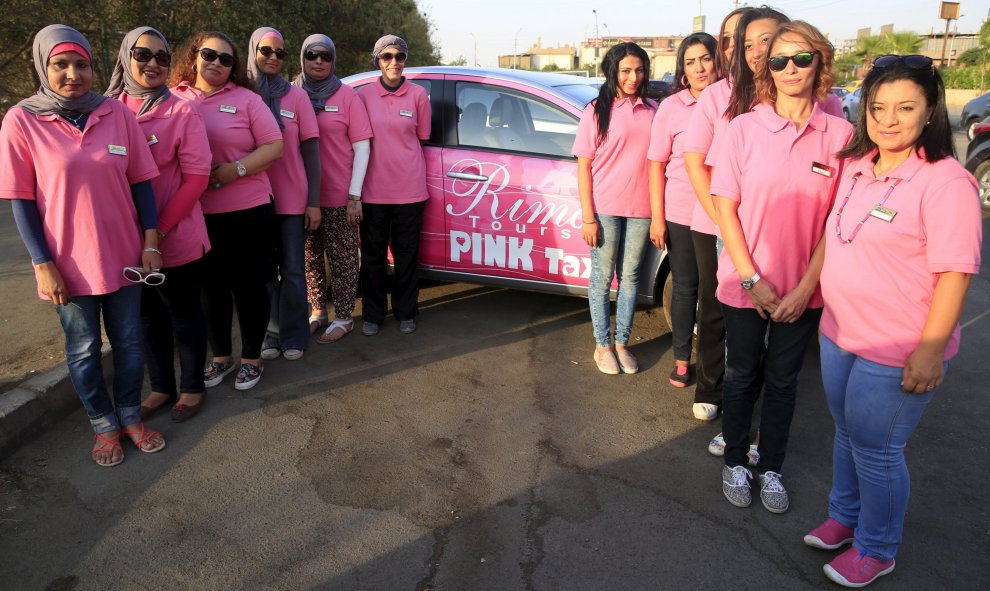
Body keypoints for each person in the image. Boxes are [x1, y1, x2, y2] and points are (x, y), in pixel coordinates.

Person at [806, 54, 981, 588]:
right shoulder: (860, 165)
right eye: (878, 107)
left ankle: (878, 548)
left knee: (878, 449)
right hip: (841, 332)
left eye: (905, 107)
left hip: (899, 345)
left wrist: (930, 348)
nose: (888, 119)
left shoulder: (946, 182)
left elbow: (955, 272)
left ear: (929, 112)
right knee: (847, 432)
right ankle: (846, 516)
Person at [0, 24, 165, 466]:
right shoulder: (22, 119)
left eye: (81, 65)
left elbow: (143, 184)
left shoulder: (116, 113)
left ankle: (130, 416)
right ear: (43, 67)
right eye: (61, 65)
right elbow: (20, 198)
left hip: (126, 258)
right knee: (83, 348)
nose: (73, 74)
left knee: (130, 343)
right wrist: (42, 263)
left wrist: (151, 242)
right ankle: (104, 426)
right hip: (68, 264)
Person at [712, 21, 853, 514]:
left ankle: (769, 466)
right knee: (741, 374)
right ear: (767, 69)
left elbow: (838, 221)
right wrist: (753, 280)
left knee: (785, 381)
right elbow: (725, 208)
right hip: (742, 282)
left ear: (820, 62)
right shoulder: (742, 128)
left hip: (805, 291)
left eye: (801, 57)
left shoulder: (842, 135)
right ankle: (734, 460)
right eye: (778, 59)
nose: (790, 68)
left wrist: (804, 288)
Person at [106, 26, 213, 423]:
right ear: (125, 57)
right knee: (147, 316)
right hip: (126, 241)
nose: (153, 64)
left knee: (183, 313)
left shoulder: (181, 110)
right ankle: (162, 387)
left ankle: (191, 387)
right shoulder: (107, 109)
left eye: (162, 58)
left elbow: (198, 178)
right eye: (143, 55)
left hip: (177, 233)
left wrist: (159, 231)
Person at [170, 31, 283, 390]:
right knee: (210, 290)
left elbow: (274, 146)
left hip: (248, 211)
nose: (216, 63)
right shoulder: (173, 98)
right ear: (193, 56)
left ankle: (251, 358)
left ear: (234, 67)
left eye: (226, 59)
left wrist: (234, 170)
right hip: (196, 213)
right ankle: (221, 358)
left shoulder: (247, 100)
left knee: (248, 287)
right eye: (209, 54)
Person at [681, 6, 756, 426]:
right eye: (726, 40)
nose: (736, 48)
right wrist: (723, 223)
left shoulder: (781, 92)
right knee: (714, 307)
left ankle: (746, 392)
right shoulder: (715, 95)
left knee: (758, 314)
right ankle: (709, 387)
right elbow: (695, 161)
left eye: (746, 39)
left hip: (765, 226)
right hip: (712, 220)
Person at [573, 42, 656, 375]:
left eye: (638, 70)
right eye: (625, 70)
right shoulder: (596, 110)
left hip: (642, 209)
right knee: (603, 277)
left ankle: (622, 343)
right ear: (613, 71)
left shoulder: (653, 109)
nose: (632, 77)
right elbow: (583, 166)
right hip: (605, 209)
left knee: (632, 278)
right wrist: (588, 216)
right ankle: (602, 345)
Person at [246, 27, 321, 363]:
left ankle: (294, 333)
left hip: (291, 200)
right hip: (254, 201)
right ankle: (270, 333)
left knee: (292, 271)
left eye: (280, 53)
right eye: (266, 51)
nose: (273, 58)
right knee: (262, 273)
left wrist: (313, 201)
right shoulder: (241, 95)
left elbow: (311, 153)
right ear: (253, 51)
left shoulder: (297, 97)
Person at [648, 32, 718, 388]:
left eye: (705, 58)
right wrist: (657, 218)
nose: (699, 67)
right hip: (680, 211)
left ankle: (712, 362)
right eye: (690, 62)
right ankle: (680, 358)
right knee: (685, 286)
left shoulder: (733, 102)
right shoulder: (672, 107)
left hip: (724, 213)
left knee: (715, 292)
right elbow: (656, 164)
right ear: (682, 71)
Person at [294, 34, 372, 344]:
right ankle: (317, 311)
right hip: (301, 195)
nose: (318, 61)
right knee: (309, 257)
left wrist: (355, 195)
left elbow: (362, 147)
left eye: (325, 56)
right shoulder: (292, 94)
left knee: (343, 258)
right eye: (312, 55)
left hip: (339, 194)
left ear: (333, 60)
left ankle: (343, 317)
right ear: (302, 57)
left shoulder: (347, 96)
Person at [355, 34, 431, 336]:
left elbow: (422, 136)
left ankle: (406, 311)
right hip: (373, 191)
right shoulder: (362, 97)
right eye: (387, 57)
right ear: (378, 61)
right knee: (373, 257)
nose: (394, 62)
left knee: (406, 255)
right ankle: (373, 314)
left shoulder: (419, 95)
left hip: (410, 191)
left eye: (400, 56)